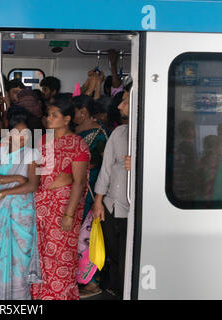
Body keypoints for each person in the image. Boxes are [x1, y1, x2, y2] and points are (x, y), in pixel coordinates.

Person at [30, 94, 90, 300]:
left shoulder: (77, 144)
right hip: (41, 205)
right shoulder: (44, 139)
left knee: (61, 255)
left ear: (66, 119)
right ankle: (40, 294)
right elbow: (39, 173)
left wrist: (69, 214)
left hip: (63, 207)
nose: (49, 118)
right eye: (48, 114)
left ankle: (60, 295)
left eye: (54, 115)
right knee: (40, 253)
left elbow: (80, 182)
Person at [0, 108, 41, 300]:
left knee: (20, 259)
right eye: (18, 133)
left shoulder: (33, 154)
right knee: (0, 255)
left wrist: (6, 191)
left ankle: (19, 299)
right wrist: (16, 177)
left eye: (26, 133)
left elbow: (32, 185)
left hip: (22, 213)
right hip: (2, 211)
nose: (22, 137)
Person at [91, 83, 132, 299]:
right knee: (113, 253)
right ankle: (115, 288)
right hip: (111, 204)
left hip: (131, 208)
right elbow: (106, 169)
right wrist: (98, 201)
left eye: (125, 101)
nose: (120, 106)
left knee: (128, 256)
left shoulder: (152, 135)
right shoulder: (118, 132)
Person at [72, 94, 109, 298]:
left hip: (91, 189)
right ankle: (80, 278)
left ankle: (92, 282)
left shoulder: (100, 134)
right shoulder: (77, 131)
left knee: (87, 236)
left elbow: (108, 164)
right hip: (77, 189)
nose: (72, 116)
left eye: (74, 112)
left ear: (84, 112)